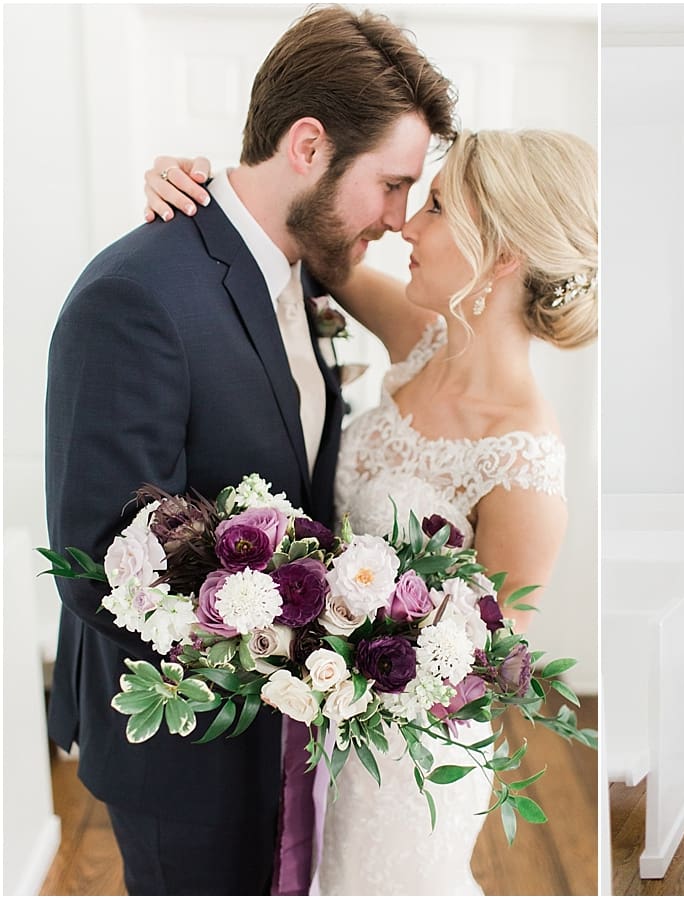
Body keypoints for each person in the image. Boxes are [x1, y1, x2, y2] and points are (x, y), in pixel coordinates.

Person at [45, 7, 455, 894]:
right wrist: (308, 626)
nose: (397, 217)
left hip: (290, 732)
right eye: (391, 184)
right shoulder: (137, 295)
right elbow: (100, 559)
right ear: (307, 145)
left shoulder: (304, 267)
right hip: (185, 754)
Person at [144, 128, 597, 893]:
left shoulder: (524, 466)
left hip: (408, 767)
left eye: (437, 206)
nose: (406, 225)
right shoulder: (423, 338)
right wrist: (193, 187)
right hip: (322, 721)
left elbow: (481, 668)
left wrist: (347, 654)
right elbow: (298, 236)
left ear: (504, 253)